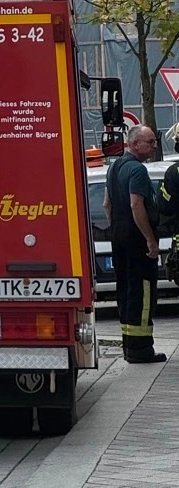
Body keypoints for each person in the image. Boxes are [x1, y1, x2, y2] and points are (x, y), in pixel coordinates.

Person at [103, 125, 166, 363]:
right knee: (143, 293)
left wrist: (117, 229)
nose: (154, 146)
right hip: (137, 241)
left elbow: (107, 204)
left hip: (119, 238)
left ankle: (129, 347)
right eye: (150, 142)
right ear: (135, 144)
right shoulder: (138, 170)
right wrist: (150, 239)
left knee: (126, 290)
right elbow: (136, 204)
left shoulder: (114, 167)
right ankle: (141, 349)